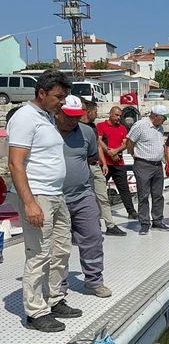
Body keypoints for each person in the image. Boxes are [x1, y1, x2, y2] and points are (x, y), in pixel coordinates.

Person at [7, 69, 82, 332]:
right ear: (41, 93)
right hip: (37, 195)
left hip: (55, 194)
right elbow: (15, 164)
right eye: (59, 96)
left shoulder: (47, 117)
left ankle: (55, 298)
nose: (63, 102)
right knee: (38, 254)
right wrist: (29, 203)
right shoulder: (25, 118)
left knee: (61, 249)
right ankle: (36, 312)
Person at [57, 95, 112, 299]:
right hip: (55, 198)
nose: (73, 121)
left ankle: (94, 281)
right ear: (58, 113)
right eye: (68, 116)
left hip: (82, 195)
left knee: (93, 238)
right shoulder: (47, 131)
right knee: (58, 246)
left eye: (77, 116)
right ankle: (59, 286)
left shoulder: (87, 132)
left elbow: (91, 157)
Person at [80, 100, 126, 236]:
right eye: (95, 111)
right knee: (86, 198)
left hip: (95, 165)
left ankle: (110, 225)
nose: (97, 114)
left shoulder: (93, 127)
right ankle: (87, 226)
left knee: (103, 196)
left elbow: (98, 145)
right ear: (88, 112)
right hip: (83, 166)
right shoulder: (78, 127)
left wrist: (104, 163)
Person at [126, 105, 169, 235]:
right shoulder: (140, 125)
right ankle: (145, 223)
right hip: (143, 165)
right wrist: (134, 155)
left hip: (157, 165)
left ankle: (157, 221)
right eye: (164, 118)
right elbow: (129, 142)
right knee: (144, 195)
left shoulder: (160, 127)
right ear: (156, 116)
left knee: (158, 195)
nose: (165, 120)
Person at [97, 106, 138, 220]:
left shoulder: (122, 128)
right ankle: (97, 211)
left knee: (124, 188)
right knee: (99, 189)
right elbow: (98, 140)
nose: (118, 118)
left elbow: (125, 143)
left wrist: (116, 151)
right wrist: (109, 151)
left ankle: (131, 211)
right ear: (110, 114)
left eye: (120, 115)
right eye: (116, 115)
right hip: (104, 163)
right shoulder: (101, 126)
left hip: (118, 163)